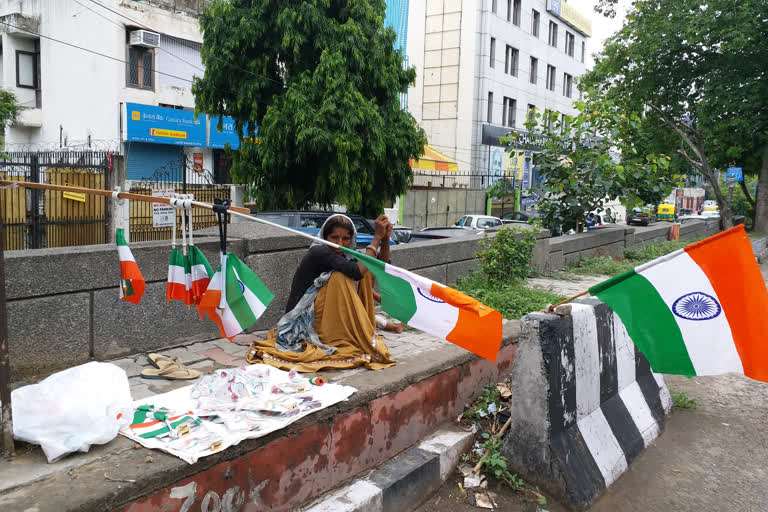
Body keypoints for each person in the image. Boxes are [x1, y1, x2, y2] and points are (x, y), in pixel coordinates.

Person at [246, 214, 397, 372]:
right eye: (334, 237)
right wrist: (376, 237)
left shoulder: (346, 255)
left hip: (325, 313)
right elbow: (356, 272)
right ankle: (334, 336)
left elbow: (379, 266)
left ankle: (352, 331)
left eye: (345, 239)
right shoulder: (319, 252)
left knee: (365, 268)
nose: (339, 244)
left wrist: (385, 238)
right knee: (341, 276)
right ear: (325, 236)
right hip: (303, 318)